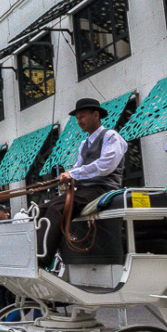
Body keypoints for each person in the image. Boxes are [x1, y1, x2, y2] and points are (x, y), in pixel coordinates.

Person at [36, 98, 128, 265]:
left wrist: (73, 174)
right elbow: (77, 168)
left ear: (96, 115)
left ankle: (43, 259)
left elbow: (105, 166)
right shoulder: (84, 144)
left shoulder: (111, 136)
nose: (79, 121)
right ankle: (40, 252)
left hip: (103, 189)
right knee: (41, 209)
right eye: (77, 118)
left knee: (56, 208)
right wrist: (67, 175)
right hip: (84, 191)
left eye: (82, 117)